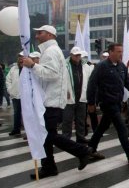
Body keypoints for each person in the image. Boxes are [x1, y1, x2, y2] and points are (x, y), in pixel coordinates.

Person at [22, 25, 92, 179]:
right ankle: (49, 167)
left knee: (47, 135)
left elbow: (52, 74)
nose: (37, 36)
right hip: (50, 99)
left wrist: (33, 65)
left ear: (49, 35)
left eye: (40, 33)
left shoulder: (51, 51)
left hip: (50, 101)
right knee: (46, 135)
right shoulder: (50, 51)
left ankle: (81, 151)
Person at [87, 43, 129, 164]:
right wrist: (91, 103)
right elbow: (91, 85)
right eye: (118, 52)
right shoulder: (101, 66)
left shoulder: (121, 66)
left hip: (117, 102)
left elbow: (128, 81)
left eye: (121, 52)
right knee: (121, 127)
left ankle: (90, 149)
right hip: (107, 102)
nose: (121, 54)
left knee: (103, 126)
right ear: (111, 52)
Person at [62, 47, 91, 144]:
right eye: (75, 55)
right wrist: (64, 91)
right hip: (69, 97)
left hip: (81, 96)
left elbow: (89, 79)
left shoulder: (85, 66)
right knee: (67, 120)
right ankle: (66, 138)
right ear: (71, 55)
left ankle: (80, 137)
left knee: (81, 120)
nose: (78, 57)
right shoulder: (64, 65)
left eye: (79, 55)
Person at [6, 52, 24, 136]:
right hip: (16, 95)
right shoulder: (13, 69)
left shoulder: (28, 68)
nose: (20, 59)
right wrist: (10, 90)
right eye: (19, 57)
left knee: (28, 114)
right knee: (17, 113)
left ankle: (29, 131)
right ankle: (16, 129)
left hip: (26, 96)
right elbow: (8, 80)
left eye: (22, 57)